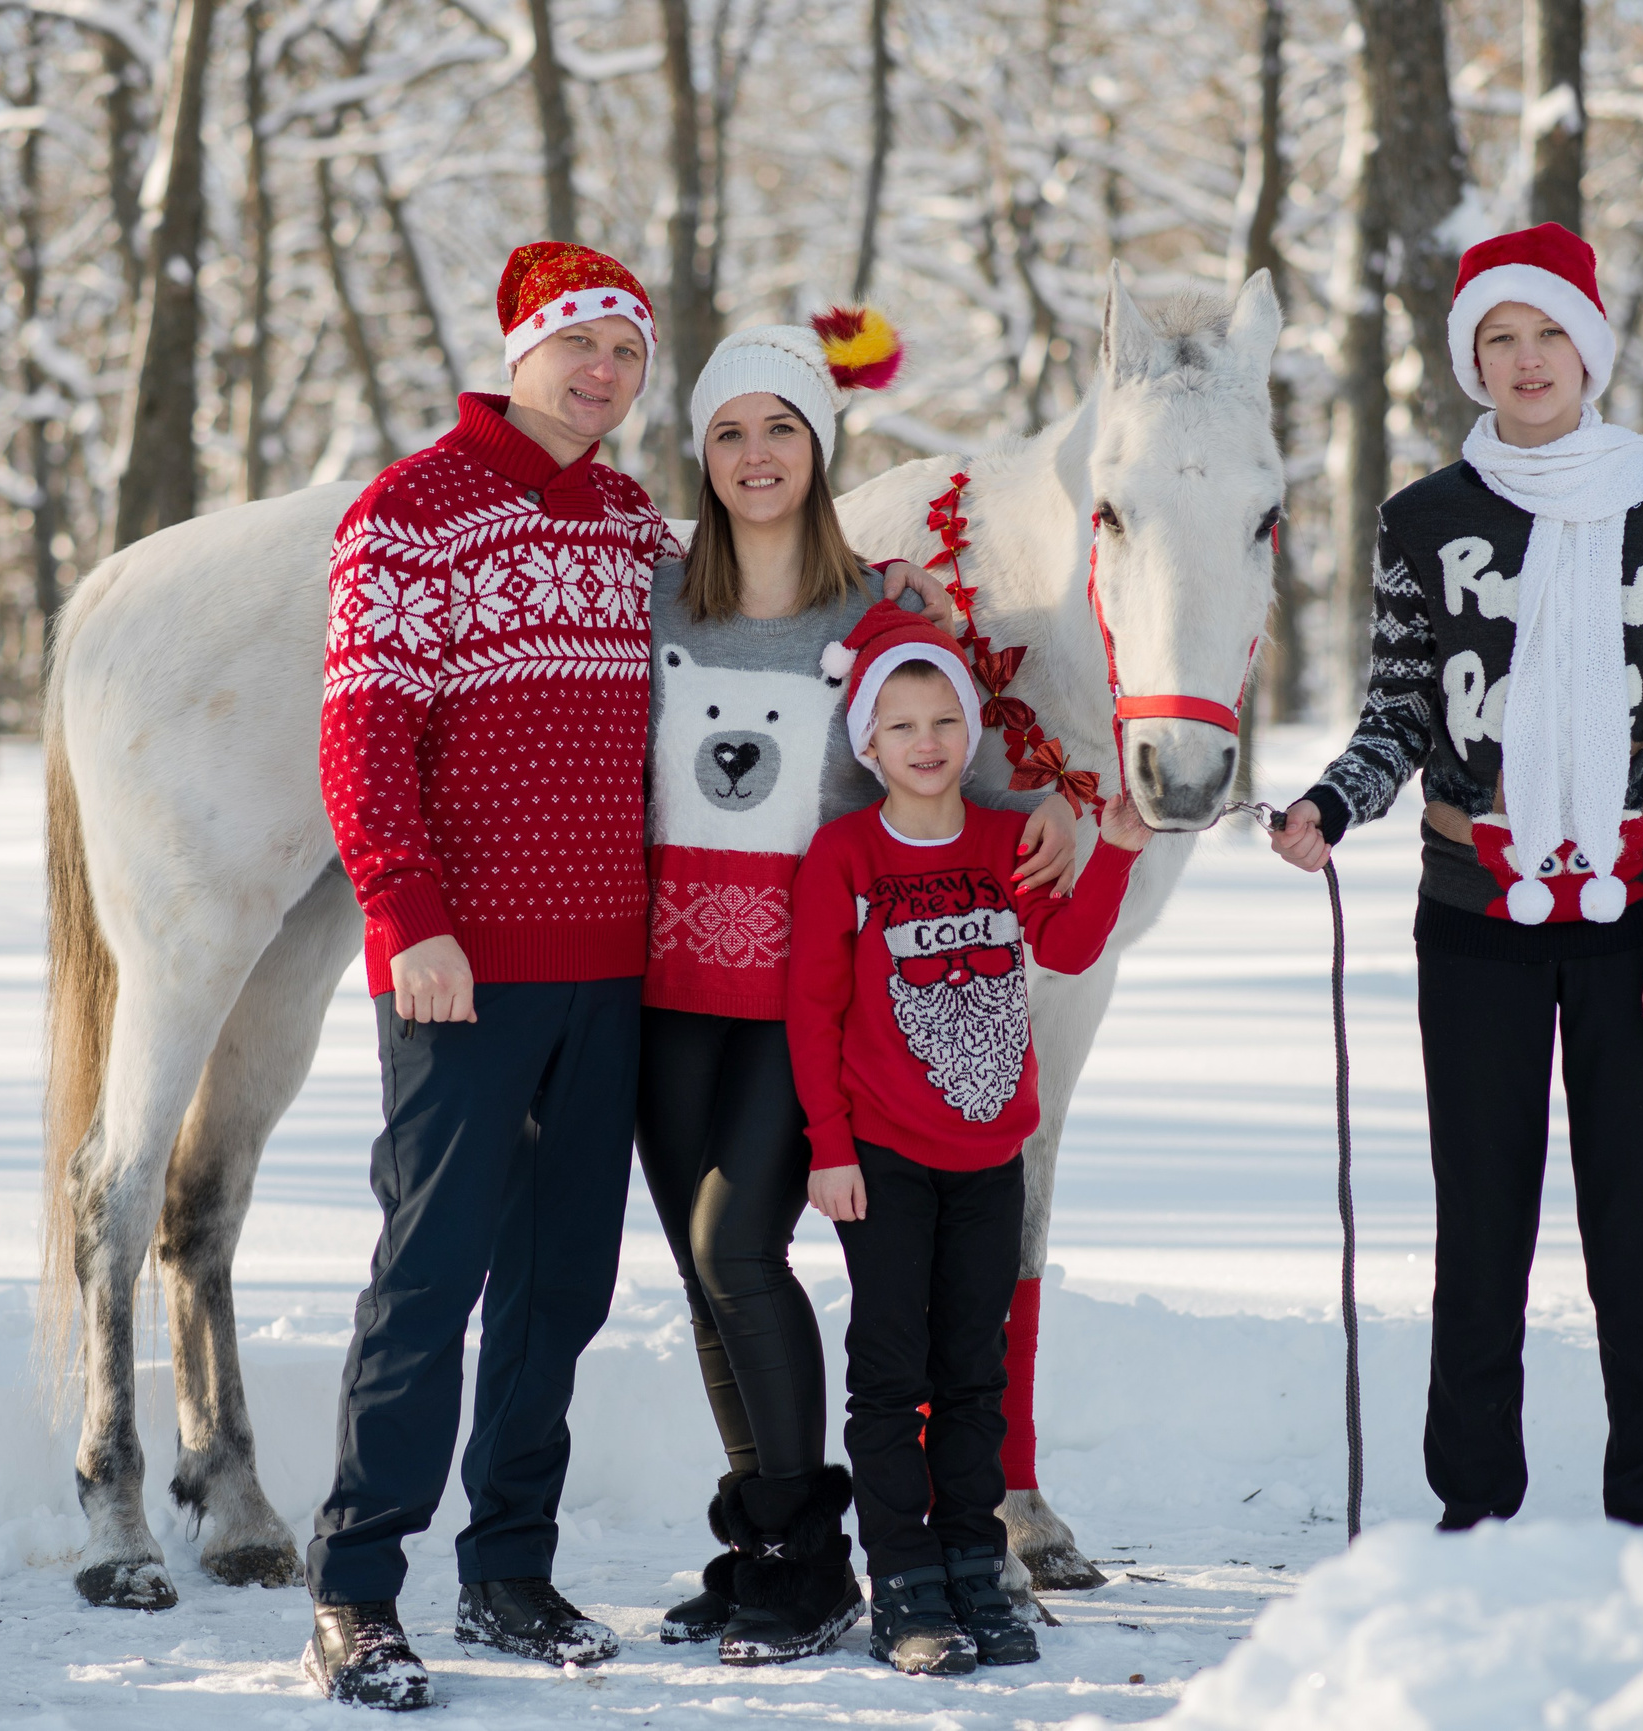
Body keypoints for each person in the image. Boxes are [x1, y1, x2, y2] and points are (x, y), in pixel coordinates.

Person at [305, 244, 958, 1711]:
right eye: (578, 345)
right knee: (428, 1275)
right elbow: (361, 734)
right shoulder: (409, 514)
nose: (602, 373)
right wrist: (409, 915)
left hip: (616, 971)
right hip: (462, 969)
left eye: (625, 354)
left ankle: (510, 1566)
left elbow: (778, 587)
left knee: (562, 1287)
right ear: (520, 351)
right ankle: (357, 1587)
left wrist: (903, 601)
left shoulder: (628, 530)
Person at [1269, 222, 1643, 1532]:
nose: (1526, 362)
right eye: (1499, 339)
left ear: (1587, 348)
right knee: (1482, 1229)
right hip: (1472, 917)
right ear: (1473, 358)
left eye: (1547, 336)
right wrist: (1332, 801)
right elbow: (1401, 714)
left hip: (1634, 920)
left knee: (1637, 1234)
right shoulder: (1426, 517)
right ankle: (1475, 1512)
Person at [637, 313, 1078, 1667]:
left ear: (819, 448)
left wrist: (1052, 791)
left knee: (735, 1251)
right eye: (729, 431)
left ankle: (813, 1544)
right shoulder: (658, 597)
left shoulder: (878, 606)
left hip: (796, 993)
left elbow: (948, 740)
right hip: (663, 988)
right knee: (709, 1277)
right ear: (702, 454)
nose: (756, 454)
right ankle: (780, 1554)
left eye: (782, 428)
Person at [787, 603, 1148, 1675]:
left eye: (944, 717)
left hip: (991, 1158)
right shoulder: (845, 856)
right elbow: (811, 1013)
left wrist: (1117, 849)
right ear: (868, 744)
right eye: (900, 725)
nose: (927, 741)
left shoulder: (1005, 844)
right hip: (887, 1162)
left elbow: (1073, 948)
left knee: (974, 1376)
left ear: (970, 730)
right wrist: (830, 1148)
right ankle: (903, 1584)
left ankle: (969, 1560)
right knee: (892, 1376)